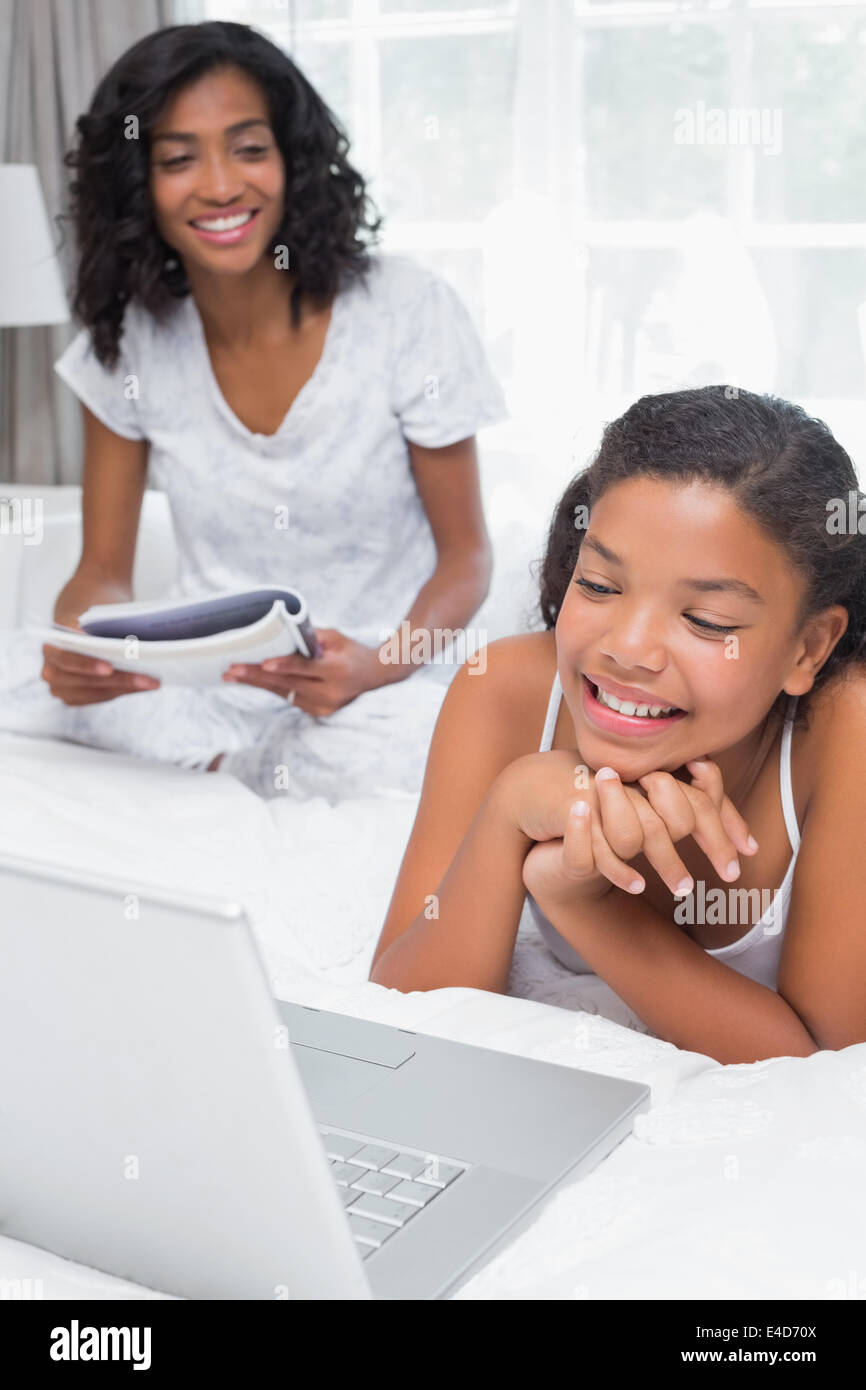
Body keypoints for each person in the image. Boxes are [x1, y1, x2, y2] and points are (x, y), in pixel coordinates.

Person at [1, 21, 505, 799]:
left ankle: (237, 775)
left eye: (248, 148)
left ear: (292, 163)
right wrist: (82, 648)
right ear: (138, 186)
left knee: (407, 752)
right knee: (24, 690)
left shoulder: (407, 311)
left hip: (375, 680)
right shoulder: (134, 340)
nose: (220, 185)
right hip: (212, 689)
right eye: (177, 159)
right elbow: (101, 573)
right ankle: (242, 772)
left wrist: (378, 664)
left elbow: (467, 560)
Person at [369, 386, 866, 1064]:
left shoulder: (847, 730)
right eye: (599, 585)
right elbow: (398, 1011)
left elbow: (827, 1065)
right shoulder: (504, 691)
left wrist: (585, 901)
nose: (628, 649)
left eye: (706, 622)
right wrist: (511, 806)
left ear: (808, 648)